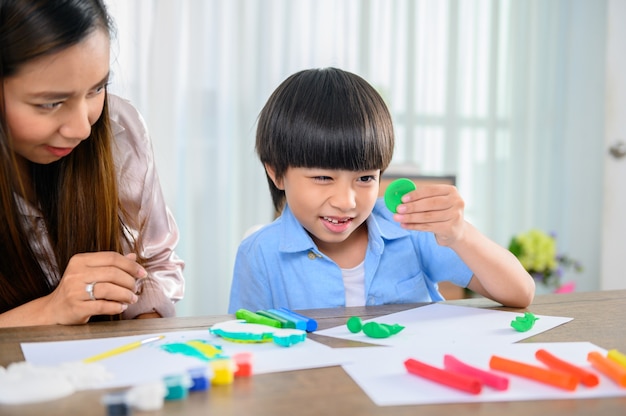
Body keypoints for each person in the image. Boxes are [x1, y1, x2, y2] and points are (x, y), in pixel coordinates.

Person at [228, 67, 534, 313]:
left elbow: (520, 293)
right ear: (276, 172)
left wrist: (461, 235)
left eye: (364, 179)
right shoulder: (259, 255)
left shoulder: (411, 230)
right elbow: (248, 347)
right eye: (322, 178)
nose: (346, 202)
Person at [0, 0, 184, 327]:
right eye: (51, 103)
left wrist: (144, 315)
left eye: (97, 88)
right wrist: (49, 311)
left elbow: (157, 263)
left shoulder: (119, 130)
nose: (83, 129)